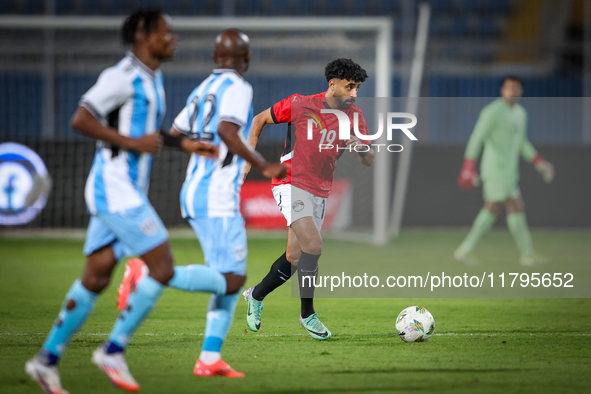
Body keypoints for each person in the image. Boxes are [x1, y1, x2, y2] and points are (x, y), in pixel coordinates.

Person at [23, 9, 225, 394]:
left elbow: (147, 131)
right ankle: (114, 350)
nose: (173, 38)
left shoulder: (153, 78)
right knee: (162, 266)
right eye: (166, 32)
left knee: (96, 276)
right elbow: (81, 118)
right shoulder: (122, 76)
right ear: (143, 35)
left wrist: (182, 143)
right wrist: (133, 144)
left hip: (124, 189)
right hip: (113, 188)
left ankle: (45, 361)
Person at [117, 29, 287, 378]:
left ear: (215, 58)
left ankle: (210, 357)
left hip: (193, 188)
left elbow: (177, 134)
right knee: (234, 278)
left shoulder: (202, 89)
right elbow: (227, 130)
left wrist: (198, 146)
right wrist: (263, 164)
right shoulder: (238, 88)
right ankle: (147, 273)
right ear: (247, 59)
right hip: (217, 195)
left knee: (222, 276)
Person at [242, 58, 374, 340]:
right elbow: (259, 119)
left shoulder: (355, 116)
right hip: (290, 182)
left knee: (294, 256)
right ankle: (307, 314)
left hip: (320, 189)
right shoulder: (300, 104)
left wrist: (361, 147)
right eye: (350, 87)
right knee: (313, 245)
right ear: (332, 84)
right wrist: (247, 162)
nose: (354, 94)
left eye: (357, 88)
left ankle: (256, 295)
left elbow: (369, 160)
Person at [454, 75, 554, 266]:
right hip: (495, 169)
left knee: (496, 208)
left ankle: (466, 249)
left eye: (515, 88)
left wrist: (538, 161)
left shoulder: (520, 113)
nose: (512, 91)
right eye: (508, 87)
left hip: (510, 171)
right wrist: (468, 166)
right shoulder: (492, 112)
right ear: (502, 90)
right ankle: (526, 253)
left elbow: (521, 142)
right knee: (511, 205)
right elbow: (477, 138)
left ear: (521, 91)